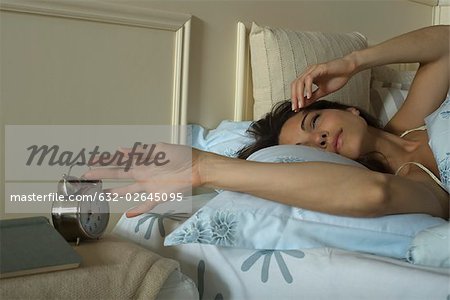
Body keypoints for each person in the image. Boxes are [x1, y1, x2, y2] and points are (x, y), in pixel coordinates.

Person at [85, 25, 449, 220]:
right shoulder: (414, 187)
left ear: (350, 109)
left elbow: (446, 43)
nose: (319, 140)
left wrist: (352, 63)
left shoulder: (411, 120)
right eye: (306, 151)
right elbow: (373, 194)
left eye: (315, 121)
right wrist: (203, 167)